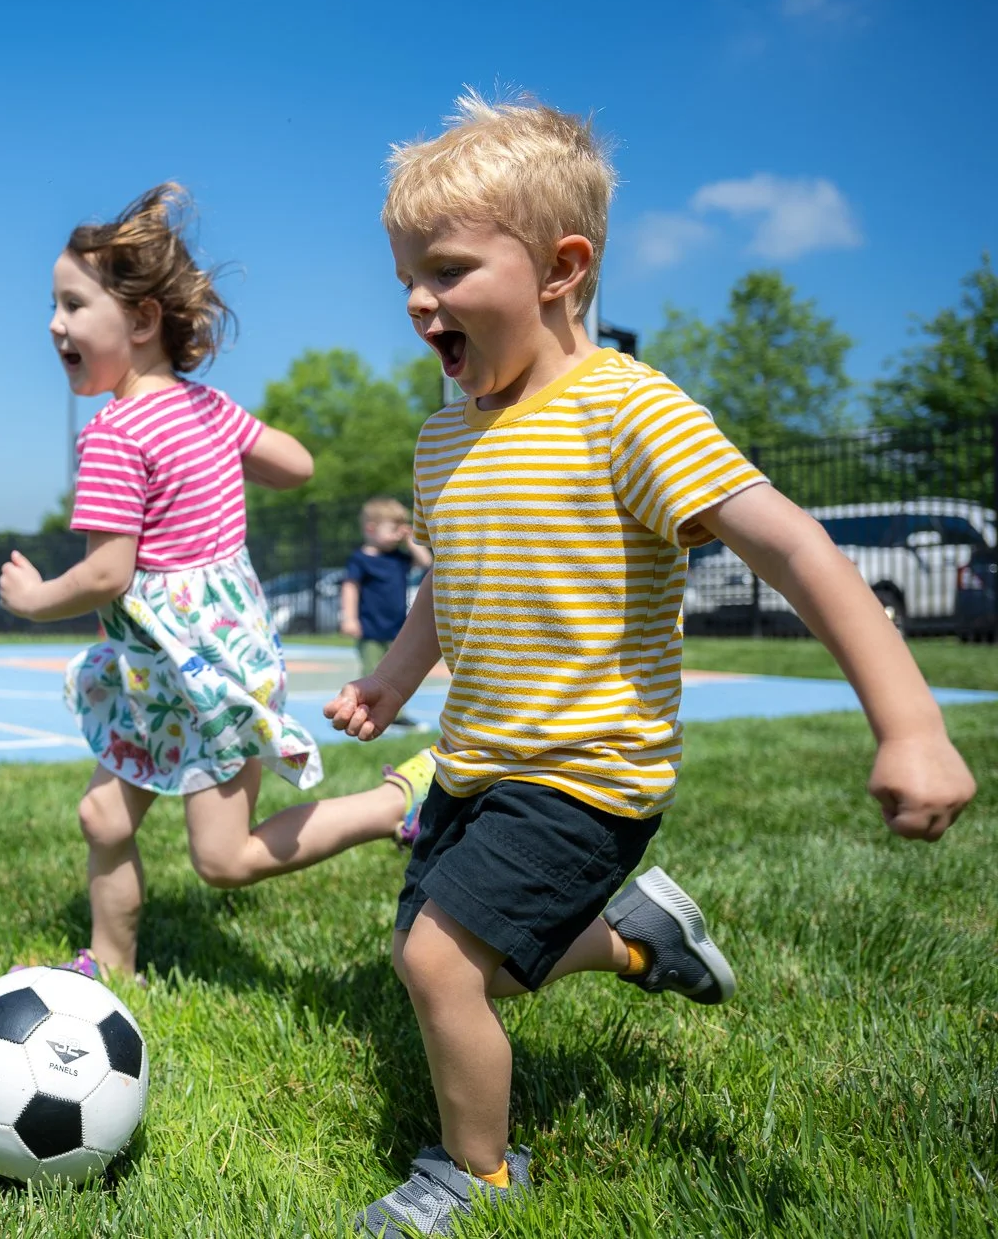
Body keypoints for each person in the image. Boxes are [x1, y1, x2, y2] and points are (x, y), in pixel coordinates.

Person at [331, 91, 977, 1235]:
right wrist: (391, 678)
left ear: (558, 268)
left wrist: (909, 723)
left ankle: (471, 1178)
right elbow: (450, 579)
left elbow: (796, 547)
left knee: (438, 965)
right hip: (472, 763)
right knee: (442, 961)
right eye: (405, 279)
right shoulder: (444, 434)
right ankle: (636, 939)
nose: (419, 300)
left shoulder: (628, 412)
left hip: (585, 772)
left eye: (443, 269)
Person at [0, 183, 439, 981]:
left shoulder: (113, 433)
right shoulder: (207, 407)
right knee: (102, 813)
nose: (54, 324)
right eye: (53, 305)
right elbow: (297, 465)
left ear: (139, 321)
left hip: (201, 669)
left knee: (225, 859)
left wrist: (32, 599)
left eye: (70, 304)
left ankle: (393, 805)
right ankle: (113, 970)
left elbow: (107, 570)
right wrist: (225, 443)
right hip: (176, 661)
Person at [340, 496, 432, 729]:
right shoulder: (360, 560)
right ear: (371, 528)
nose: (399, 533)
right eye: (394, 528)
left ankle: (396, 713)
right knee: (374, 670)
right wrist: (349, 618)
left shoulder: (398, 558)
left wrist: (412, 540)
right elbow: (350, 587)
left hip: (397, 627)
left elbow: (427, 562)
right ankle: (368, 711)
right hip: (370, 627)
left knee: (397, 671)